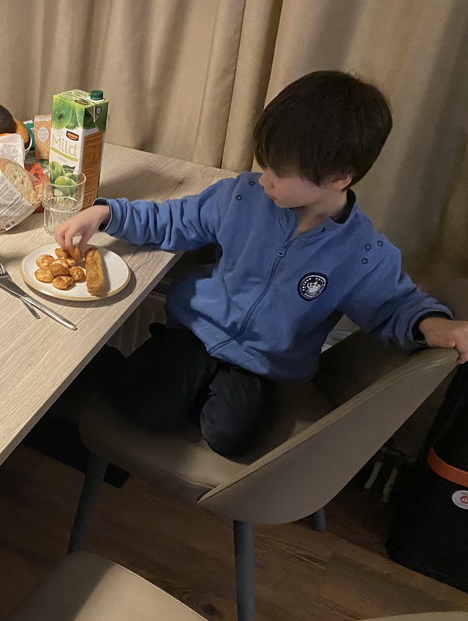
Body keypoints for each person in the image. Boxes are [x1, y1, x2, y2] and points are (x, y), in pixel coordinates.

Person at [55, 70, 468, 457]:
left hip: (263, 362)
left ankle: (188, 389)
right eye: (264, 165)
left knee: (228, 438)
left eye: (279, 173)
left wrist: (434, 324)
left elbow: (394, 305)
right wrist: (107, 214)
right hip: (196, 330)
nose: (264, 179)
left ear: (338, 178)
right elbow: (172, 220)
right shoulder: (242, 196)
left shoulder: (360, 252)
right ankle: (102, 364)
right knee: (151, 411)